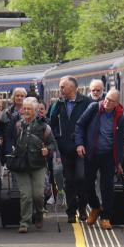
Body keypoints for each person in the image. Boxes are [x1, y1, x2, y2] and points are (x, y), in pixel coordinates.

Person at [75, 89, 124, 230]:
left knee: (107, 187)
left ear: (117, 103)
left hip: (108, 156)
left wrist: (119, 162)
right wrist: (79, 144)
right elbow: (80, 125)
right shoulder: (94, 108)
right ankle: (96, 207)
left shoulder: (120, 117)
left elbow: (120, 141)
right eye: (107, 99)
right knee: (87, 184)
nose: (107, 102)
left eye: (111, 101)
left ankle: (106, 217)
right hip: (91, 154)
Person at [9, 97, 56, 233]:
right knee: (25, 195)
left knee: (38, 195)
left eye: (29, 109)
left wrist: (48, 150)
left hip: (38, 165)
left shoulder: (44, 127)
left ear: (36, 111)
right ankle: (24, 222)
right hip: (21, 165)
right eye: (25, 108)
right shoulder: (18, 125)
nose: (26, 111)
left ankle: (39, 213)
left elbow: (53, 143)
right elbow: (11, 141)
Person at [49, 76, 92, 223]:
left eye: (63, 87)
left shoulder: (87, 103)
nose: (60, 90)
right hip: (65, 148)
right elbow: (51, 122)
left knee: (81, 177)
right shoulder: (59, 104)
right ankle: (71, 212)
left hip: (82, 149)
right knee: (69, 180)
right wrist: (58, 138)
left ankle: (82, 207)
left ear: (72, 88)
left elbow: (92, 124)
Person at [0, 87, 27, 154]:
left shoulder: (29, 113)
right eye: (17, 96)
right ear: (13, 97)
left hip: (25, 148)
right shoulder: (6, 113)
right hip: (9, 146)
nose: (19, 98)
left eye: (22, 96)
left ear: (25, 98)